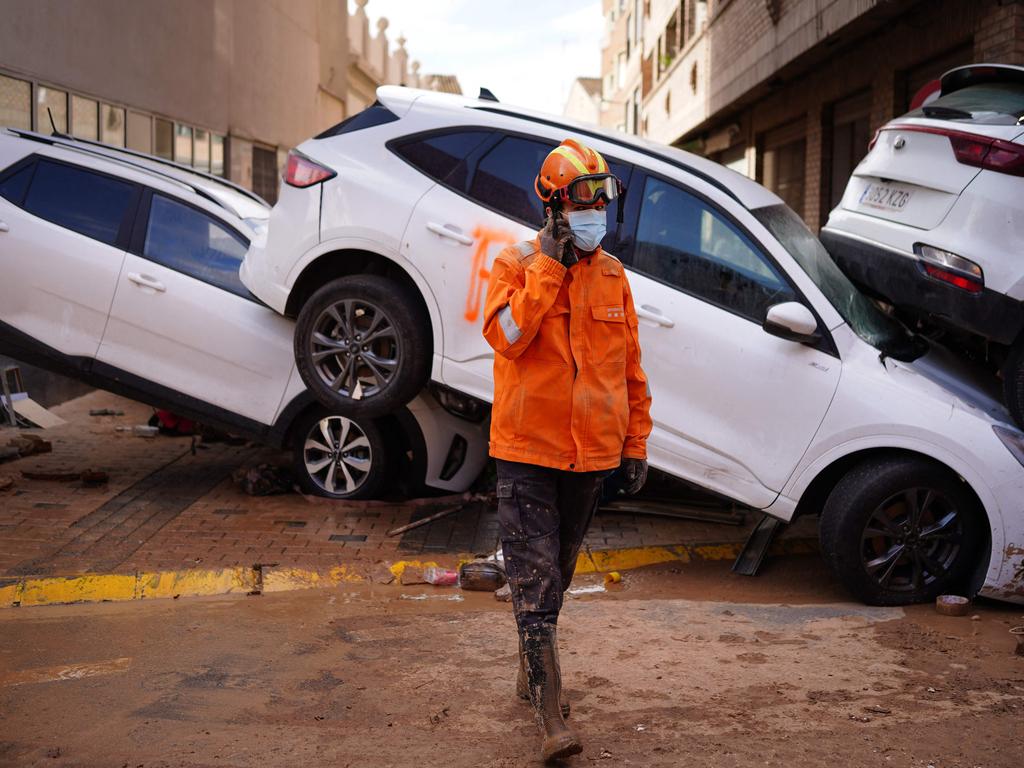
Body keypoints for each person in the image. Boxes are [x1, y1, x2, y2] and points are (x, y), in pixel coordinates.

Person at [481, 138, 653, 760]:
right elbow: (505, 336)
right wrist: (548, 270)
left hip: (591, 459)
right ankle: (551, 712)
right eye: (582, 203)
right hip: (527, 453)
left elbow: (630, 370)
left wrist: (635, 445)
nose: (594, 216)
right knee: (535, 580)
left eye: (601, 202)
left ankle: (528, 673)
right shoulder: (514, 263)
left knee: (556, 576)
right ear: (553, 208)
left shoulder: (613, 276)